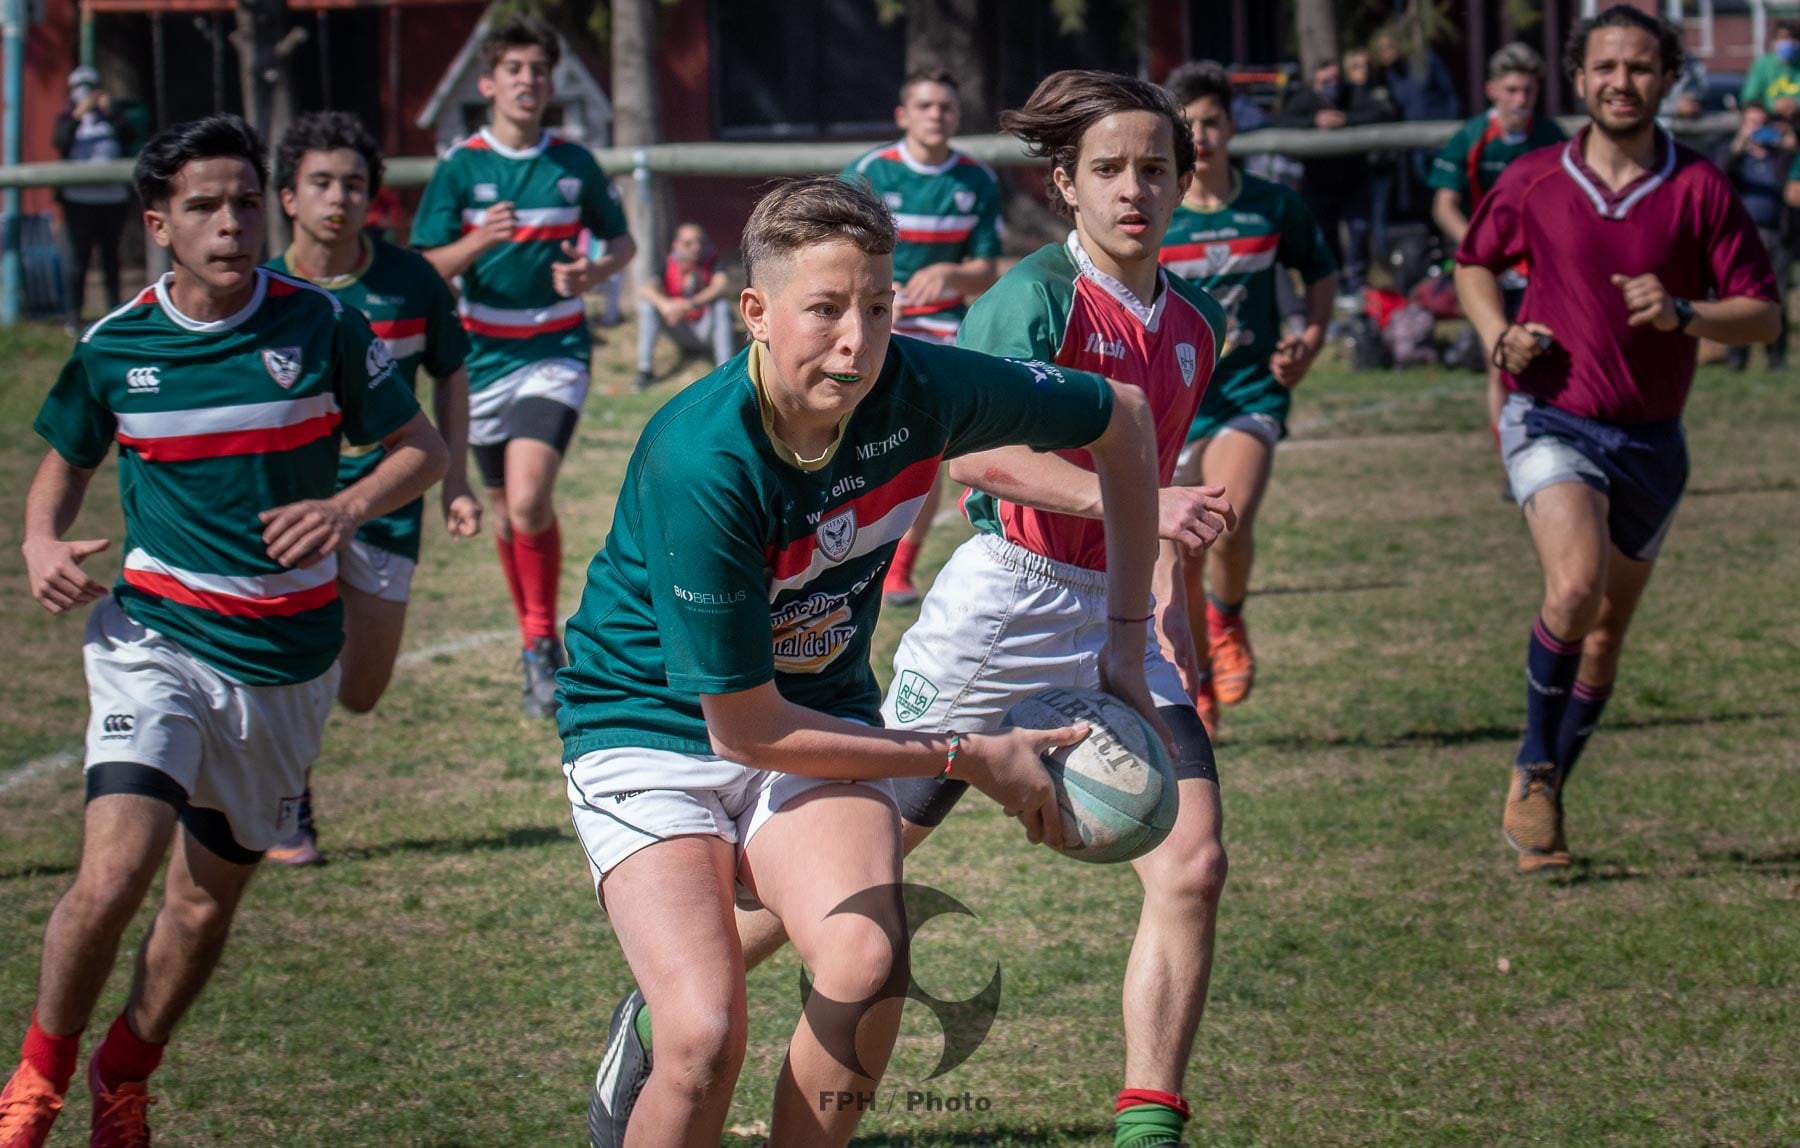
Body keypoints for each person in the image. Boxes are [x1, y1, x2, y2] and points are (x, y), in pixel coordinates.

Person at [600, 70, 1237, 1148]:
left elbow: (1130, 437)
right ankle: (669, 1002)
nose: (858, 340)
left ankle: (1148, 1117)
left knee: (1180, 859)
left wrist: (1146, 621)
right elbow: (979, 455)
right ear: (1065, 185)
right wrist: (969, 749)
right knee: (777, 957)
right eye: (1110, 169)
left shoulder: (1174, 326)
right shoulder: (1026, 303)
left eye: (1157, 169)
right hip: (950, 623)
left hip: (1033, 630)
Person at [0, 114, 446, 1147]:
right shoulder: (117, 348)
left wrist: (343, 508)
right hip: (152, 638)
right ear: (160, 224)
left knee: (203, 906)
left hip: (286, 662)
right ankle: (39, 1072)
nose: (231, 222)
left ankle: (126, 1069)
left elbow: (418, 448)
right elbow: (62, 464)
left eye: (246, 200)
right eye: (204, 205)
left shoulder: (322, 323)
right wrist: (37, 543)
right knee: (113, 873)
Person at [1454, 5, 1778, 873]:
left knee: (1605, 634)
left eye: (1639, 67)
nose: (1621, 82)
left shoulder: (1699, 188)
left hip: (1652, 443)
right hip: (1551, 415)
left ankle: (1548, 788)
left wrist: (1685, 313)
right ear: (1581, 77)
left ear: (1667, 79)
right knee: (1575, 586)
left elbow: (1763, 314)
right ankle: (1531, 762)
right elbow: (1475, 260)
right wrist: (1497, 336)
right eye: (1605, 67)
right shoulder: (1533, 177)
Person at [261, 111, 480, 865]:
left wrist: (452, 478)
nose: (338, 198)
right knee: (302, 661)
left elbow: (451, 369)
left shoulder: (410, 280)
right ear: (288, 196)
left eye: (353, 184)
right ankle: (290, 806)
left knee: (360, 689)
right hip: (295, 511)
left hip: (390, 505)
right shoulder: (264, 292)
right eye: (319, 183)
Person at [412, 15, 635, 717]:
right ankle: (535, 640)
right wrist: (479, 240)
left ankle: (541, 642)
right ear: (489, 83)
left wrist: (590, 274)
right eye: (515, 70)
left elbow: (622, 243)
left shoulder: (573, 163)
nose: (528, 82)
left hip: (554, 350)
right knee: (507, 510)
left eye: (539, 70)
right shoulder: (461, 167)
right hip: (478, 360)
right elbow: (425, 266)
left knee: (530, 496)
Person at [1161, 61, 1338, 732]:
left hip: (1247, 393)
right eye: (1189, 125)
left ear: (1233, 126)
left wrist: (1312, 338)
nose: (1202, 135)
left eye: (1212, 121)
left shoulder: (1272, 204)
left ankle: (1227, 618)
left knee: (1221, 521)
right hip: (1172, 407)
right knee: (1179, 554)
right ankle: (1194, 680)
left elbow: (1319, 270)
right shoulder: (1156, 213)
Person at [841, 69, 1003, 606]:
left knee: (926, 446)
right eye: (926, 106)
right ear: (903, 116)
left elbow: (986, 267)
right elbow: (833, 249)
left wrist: (952, 276)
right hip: (866, 322)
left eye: (947, 108)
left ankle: (898, 568)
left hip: (938, 331)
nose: (937, 115)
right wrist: (875, 294)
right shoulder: (867, 173)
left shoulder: (976, 179)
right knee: (848, 436)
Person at [1429, 42, 1568, 450]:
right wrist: (1479, 248)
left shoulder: (1550, 136)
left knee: (1549, 355)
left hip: (1539, 267)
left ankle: (1551, 442)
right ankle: (1509, 452)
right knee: (1501, 360)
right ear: (1492, 90)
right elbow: (1444, 206)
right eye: (1511, 90)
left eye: (1527, 90)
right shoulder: (1471, 138)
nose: (1520, 99)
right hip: (1488, 268)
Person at [1279, 56, 1396, 297]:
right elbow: (1282, 121)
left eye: (1335, 79)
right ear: (1315, 83)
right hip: (1319, 182)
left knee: (1360, 229)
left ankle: (1358, 281)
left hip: (1354, 179)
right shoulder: (1304, 99)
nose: (1332, 84)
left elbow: (1382, 113)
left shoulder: (1354, 94)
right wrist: (1315, 121)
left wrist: (1346, 120)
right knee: (1325, 234)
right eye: (1326, 80)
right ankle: (1336, 283)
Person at [53, 65, 135, 335]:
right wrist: (78, 116)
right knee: (78, 259)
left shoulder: (112, 117)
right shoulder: (67, 117)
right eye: (80, 88)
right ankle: (73, 316)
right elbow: (60, 142)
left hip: (112, 199)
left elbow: (129, 138)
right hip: (79, 200)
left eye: (91, 87)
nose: (86, 93)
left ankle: (113, 313)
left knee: (111, 258)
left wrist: (109, 113)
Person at [1719, 103, 1795, 370]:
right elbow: (1719, 176)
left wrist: (1788, 143)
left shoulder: (1781, 157)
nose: (1758, 129)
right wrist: (1740, 145)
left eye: (1762, 123)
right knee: (1739, 298)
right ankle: (1737, 359)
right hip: (1741, 237)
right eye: (1752, 123)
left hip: (1777, 235)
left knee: (1778, 299)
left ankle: (1776, 359)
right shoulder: (1734, 155)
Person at [634, 221, 735, 391]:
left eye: (700, 242)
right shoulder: (668, 264)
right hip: (678, 327)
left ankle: (724, 371)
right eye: (689, 243)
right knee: (648, 307)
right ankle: (645, 371)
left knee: (721, 306)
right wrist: (665, 305)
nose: (696, 247)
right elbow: (646, 289)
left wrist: (689, 304)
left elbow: (721, 285)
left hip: (705, 329)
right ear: (677, 245)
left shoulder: (712, 262)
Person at [1741, 21, 1800, 120]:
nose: (1789, 42)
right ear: (1774, 42)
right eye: (1784, 38)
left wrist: (1795, 104)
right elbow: (1749, 97)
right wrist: (1773, 105)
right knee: (1753, 115)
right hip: (1768, 119)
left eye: (1793, 38)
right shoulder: (1762, 65)